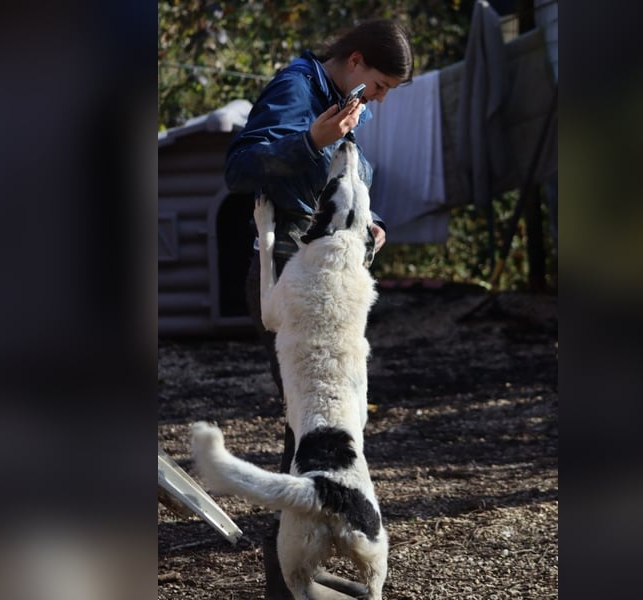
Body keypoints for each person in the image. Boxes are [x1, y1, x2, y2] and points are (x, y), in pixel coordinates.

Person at [224, 18, 413, 600]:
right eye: (379, 84)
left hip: (320, 276)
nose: (379, 99)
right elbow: (242, 169)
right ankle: (289, 582)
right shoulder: (298, 89)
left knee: (313, 428)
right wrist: (309, 140)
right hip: (286, 275)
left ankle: (306, 571)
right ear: (355, 61)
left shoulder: (345, 102)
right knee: (307, 429)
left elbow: (350, 182)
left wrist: (371, 226)